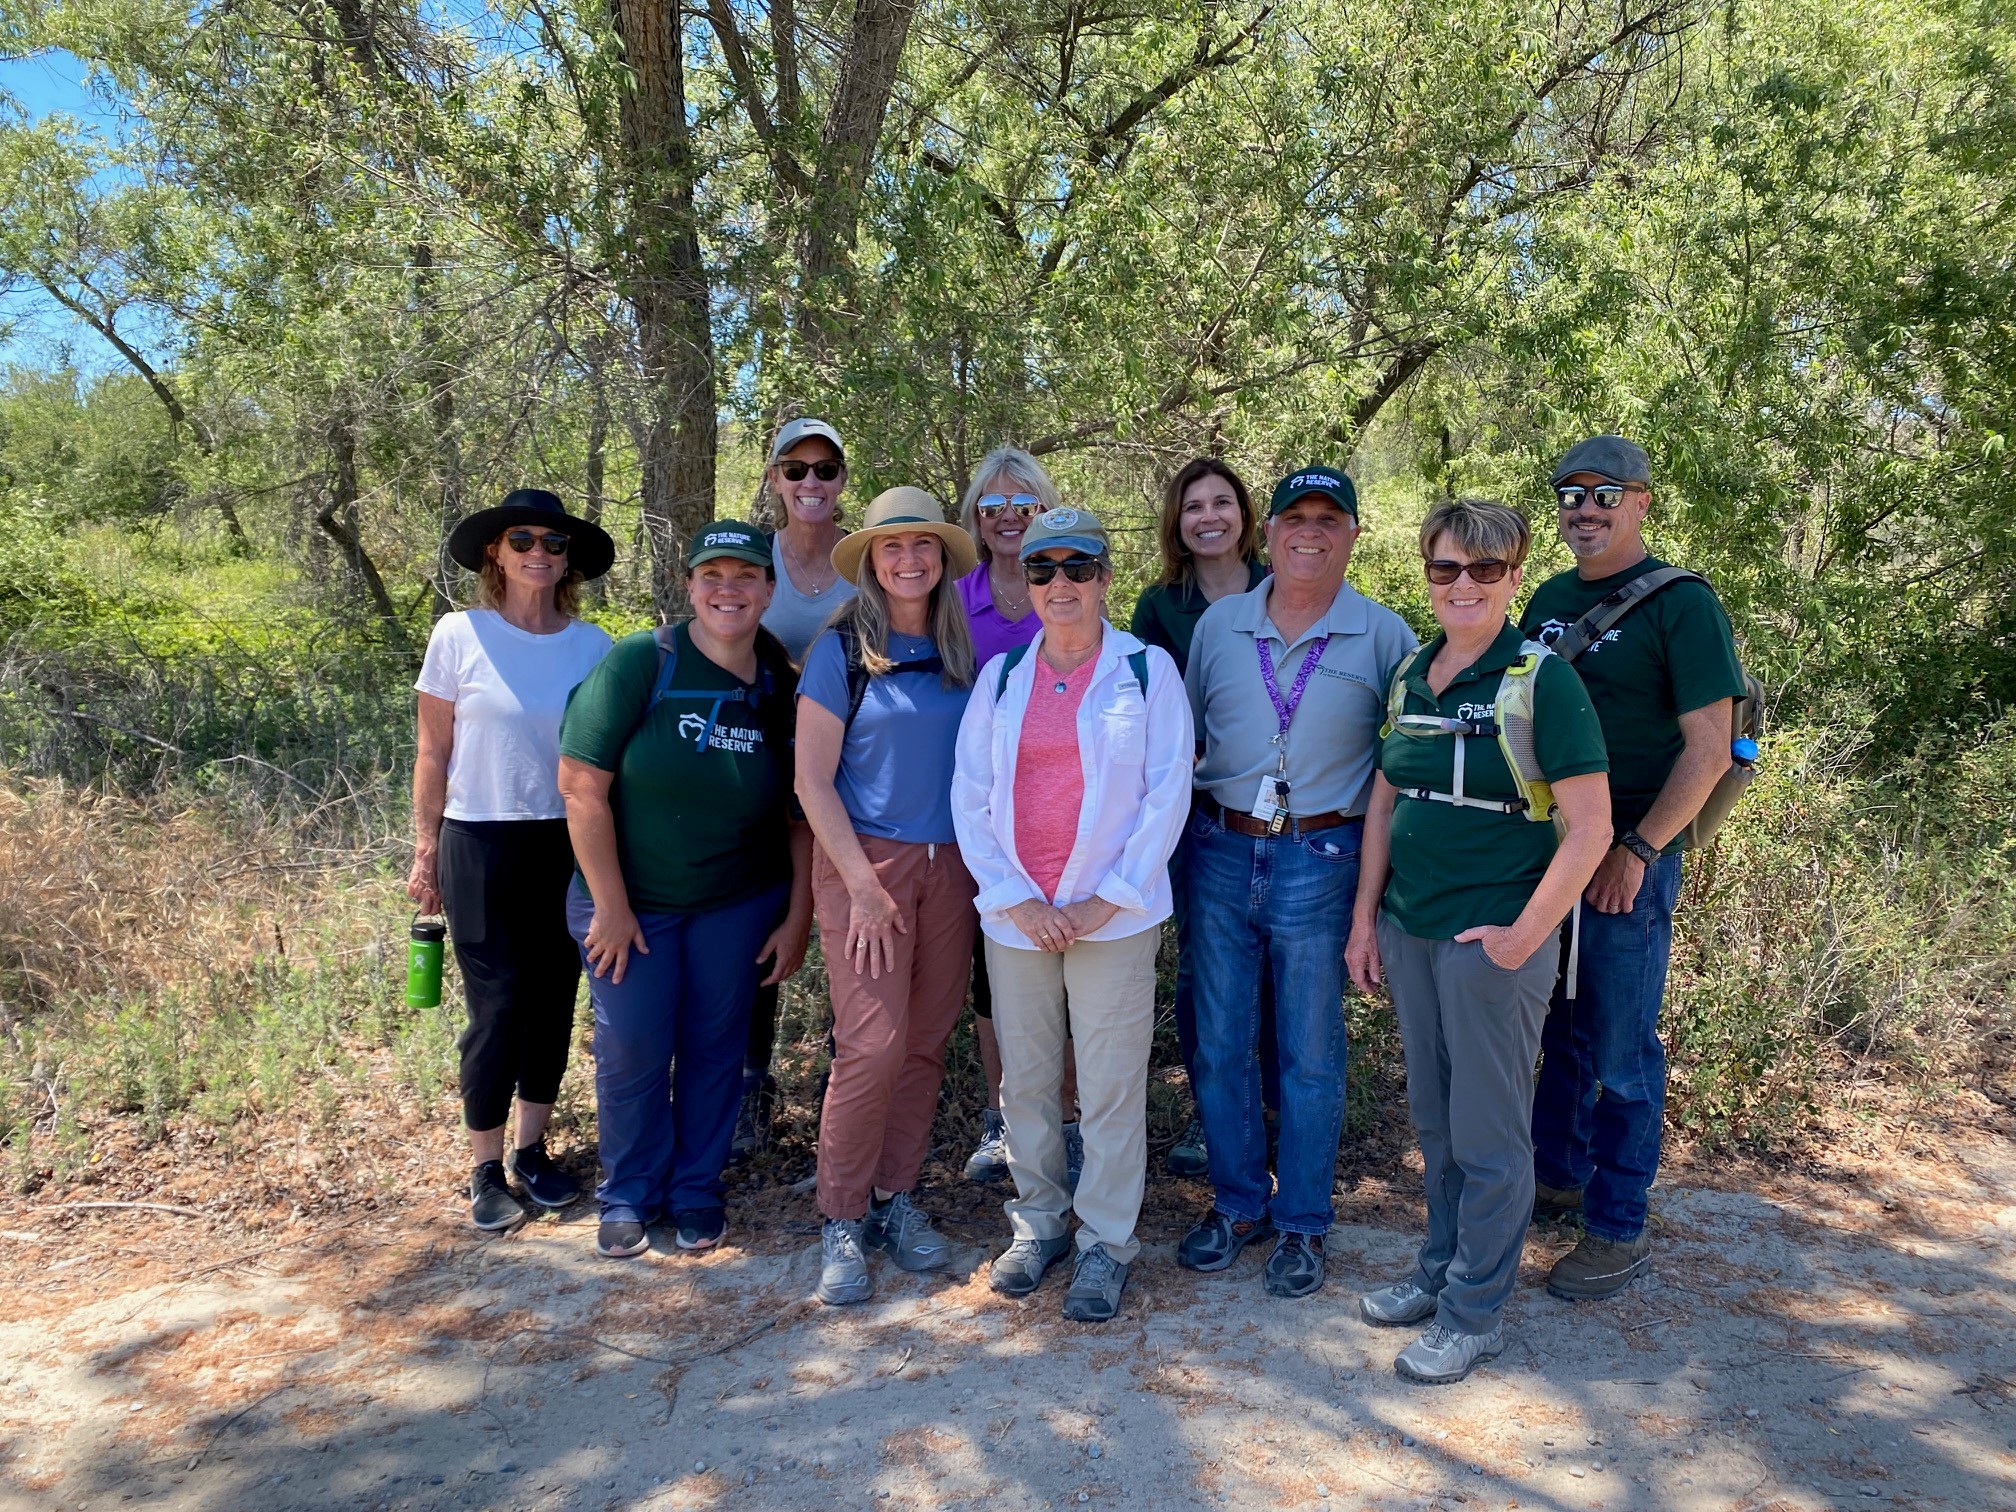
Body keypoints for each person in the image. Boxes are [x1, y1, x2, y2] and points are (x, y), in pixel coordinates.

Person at [1345, 499, 1612, 1384]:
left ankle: (1475, 1313)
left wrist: (1522, 935)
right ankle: (1439, 1269)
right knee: (1435, 1117)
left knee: (1490, 1132)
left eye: (1484, 570)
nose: (1463, 585)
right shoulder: (1414, 674)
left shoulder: (1543, 680)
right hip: (1412, 927)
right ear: (1425, 571)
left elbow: (1589, 830)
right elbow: (1385, 800)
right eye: (1445, 568)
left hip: (1493, 937)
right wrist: (1366, 919)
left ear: (1513, 574)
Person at [1178, 466, 1417, 1298]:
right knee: (1217, 1042)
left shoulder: (1387, 637)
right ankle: (1239, 1204)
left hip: (1322, 858)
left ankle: (1305, 1223)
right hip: (1219, 849)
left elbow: (1401, 775)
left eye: (1328, 518)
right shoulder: (1219, 626)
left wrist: (1374, 901)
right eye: (1293, 517)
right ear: (1267, 531)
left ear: (1353, 533)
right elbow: (1190, 744)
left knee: (1311, 1053)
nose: (1308, 532)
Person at [952, 506, 1193, 1322]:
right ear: (1027, 580)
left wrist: (1101, 901)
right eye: (1044, 568)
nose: (1061, 583)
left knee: (1112, 1087)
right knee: (1024, 1081)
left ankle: (1105, 1244)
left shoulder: (1146, 671)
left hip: (1114, 920)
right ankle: (1040, 1223)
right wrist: (1015, 898)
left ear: (1105, 578)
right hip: (1017, 917)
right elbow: (971, 796)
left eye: (1079, 567)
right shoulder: (1003, 678)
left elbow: (1168, 795)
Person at [1520, 436, 1746, 1300]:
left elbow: (1710, 751)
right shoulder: (1543, 598)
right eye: (1570, 492)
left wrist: (1640, 851)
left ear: (1641, 501)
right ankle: (1559, 1176)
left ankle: (1618, 1228)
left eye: (1604, 493)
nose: (1585, 507)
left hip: (1628, 858)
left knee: (1619, 1043)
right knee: (1560, 1030)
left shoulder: (1681, 606)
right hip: (1549, 853)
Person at [556, 523, 813, 1260]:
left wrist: (797, 917)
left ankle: (698, 1190)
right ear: (690, 585)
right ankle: (629, 1193)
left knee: (714, 1048)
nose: (728, 589)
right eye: (713, 575)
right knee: (633, 1046)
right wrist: (609, 904)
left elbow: (801, 814)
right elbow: (581, 788)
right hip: (629, 905)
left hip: (736, 904)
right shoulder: (645, 661)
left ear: (769, 589)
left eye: (746, 577)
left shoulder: (779, 685)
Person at [411, 489, 615, 1232]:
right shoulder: (458, 634)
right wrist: (426, 847)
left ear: (569, 562)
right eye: (523, 539)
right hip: (479, 840)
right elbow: (433, 750)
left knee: (553, 1004)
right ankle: (484, 1167)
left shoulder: (592, 646)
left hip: (567, 841)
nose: (540, 552)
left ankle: (534, 1151)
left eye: (554, 543)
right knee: (497, 1008)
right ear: (496, 551)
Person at [797, 488, 982, 1306]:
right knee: (870, 1044)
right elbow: (809, 779)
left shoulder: (958, 650)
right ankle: (839, 1216)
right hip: (864, 868)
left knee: (925, 1041)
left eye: (923, 548)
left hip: (952, 869)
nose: (909, 561)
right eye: (891, 548)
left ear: (942, 560)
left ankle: (895, 1198)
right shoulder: (839, 650)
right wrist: (863, 886)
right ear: (871, 560)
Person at [1129, 457, 1272, 1179]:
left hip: (1289, 809)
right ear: (1177, 524)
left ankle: (1274, 1109)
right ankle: (1208, 1111)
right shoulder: (1160, 606)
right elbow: (1146, 709)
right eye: (1193, 506)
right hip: (1195, 810)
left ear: (1246, 516)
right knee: (1205, 967)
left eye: (1222, 502)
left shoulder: (1289, 587)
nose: (1209, 516)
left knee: (1282, 967)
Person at [952, 446, 1080, 1186]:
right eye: (992, 506)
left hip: (1064, 822)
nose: (1006, 517)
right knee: (990, 977)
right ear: (976, 517)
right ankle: (1003, 1119)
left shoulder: (1067, 588)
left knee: (1063, 974)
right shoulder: (950, 598)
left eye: (1022, 504)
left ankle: (1069, 1119)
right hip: (976, 822)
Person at [736, 417, 855, 1159]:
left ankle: (847, 1074)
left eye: (825, 468)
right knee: (761, 926)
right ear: (775, 479)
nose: (810, 482)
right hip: (759, 769)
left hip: (851, 775)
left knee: (851, 926)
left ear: (843, 479)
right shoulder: (754, 560)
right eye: (795, 468)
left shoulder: (864, 563)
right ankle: (751, 1083)